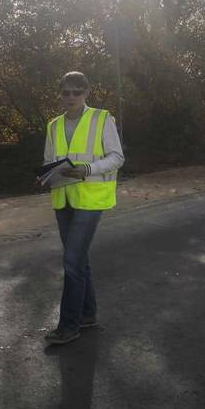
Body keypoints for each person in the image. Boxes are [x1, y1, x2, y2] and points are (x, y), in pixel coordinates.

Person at [43, 71, 124, 345]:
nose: (71, 97)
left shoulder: (102, 118)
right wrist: (44, 176)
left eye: (76, 92)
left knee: (72, 262)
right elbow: (49, 161)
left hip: (90, 198)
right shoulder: (53, 125)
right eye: (66, 92)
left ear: (87, 92)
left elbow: (116, 157)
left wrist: (88, 169)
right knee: (78, 260)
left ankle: (69, 326)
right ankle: (88, 314)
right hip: (63, 199)